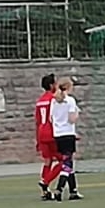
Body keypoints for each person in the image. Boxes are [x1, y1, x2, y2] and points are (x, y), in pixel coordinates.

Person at [49, 76, 82, 201]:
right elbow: (71, 119)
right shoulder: (70, 101)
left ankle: (73, 190)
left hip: (58, 135)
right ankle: (59, 188)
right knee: (67, 164)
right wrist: (77, 113)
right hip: (68, 134)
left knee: (68, 162)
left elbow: (51, 118)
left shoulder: (53, 101)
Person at [33, 72, 59, 201]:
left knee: (48, 160)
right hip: (52, 133)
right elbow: (56, 118)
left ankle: (45, 191)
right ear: (51, 85)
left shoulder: (40, 101)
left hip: (41, 132)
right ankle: (46, 181)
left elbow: (37, 121)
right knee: (64, 160)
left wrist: (37, 140)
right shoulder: (53, 100)